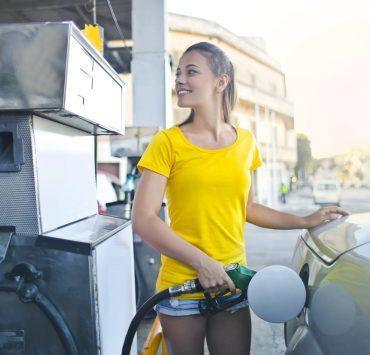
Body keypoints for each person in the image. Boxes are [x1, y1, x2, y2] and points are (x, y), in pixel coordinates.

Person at [131, 42, 349, 355]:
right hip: (181, 290)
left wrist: (304, 220)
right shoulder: (167, 143)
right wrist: (202, 263)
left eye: (191, 71)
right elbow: (144, 218)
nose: (179, 80)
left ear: (221, 81)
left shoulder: (245, 142)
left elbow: (248, 208)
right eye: (177, 73)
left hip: (231, 285)